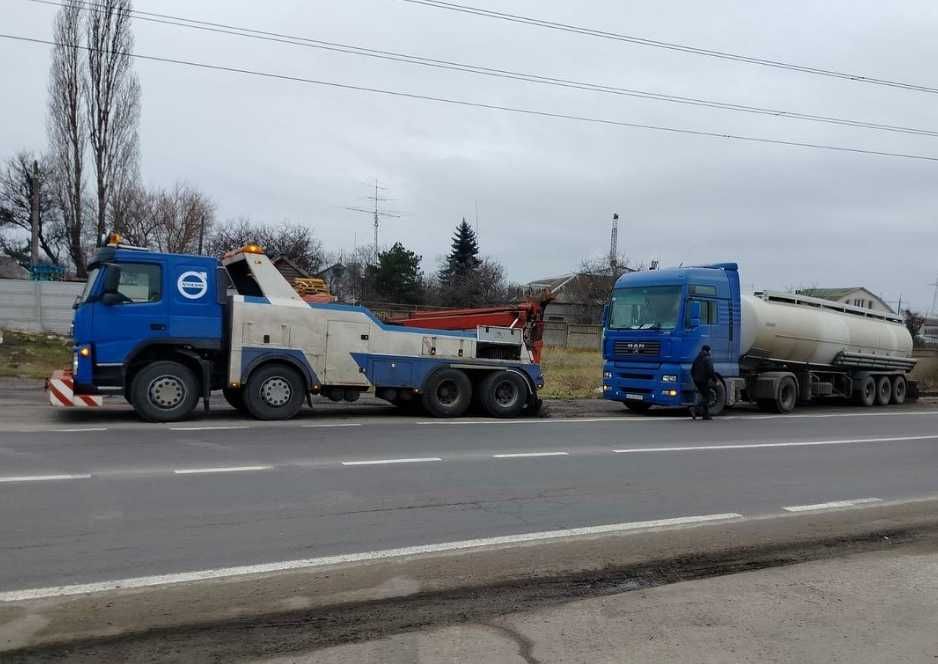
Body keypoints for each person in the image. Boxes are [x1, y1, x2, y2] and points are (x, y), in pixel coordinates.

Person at [691, 345, 715, 421]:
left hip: (697, 380)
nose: (711, 352)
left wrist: (695, 378)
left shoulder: (697, 358)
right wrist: (715, 379)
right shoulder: (707, 358)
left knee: (705, 396)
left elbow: (692, 370)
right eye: (710, 350)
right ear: (707, 351)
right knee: (707, 397)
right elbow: (710, 370)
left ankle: (706, 415)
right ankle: (694, 409)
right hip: (703, 380)